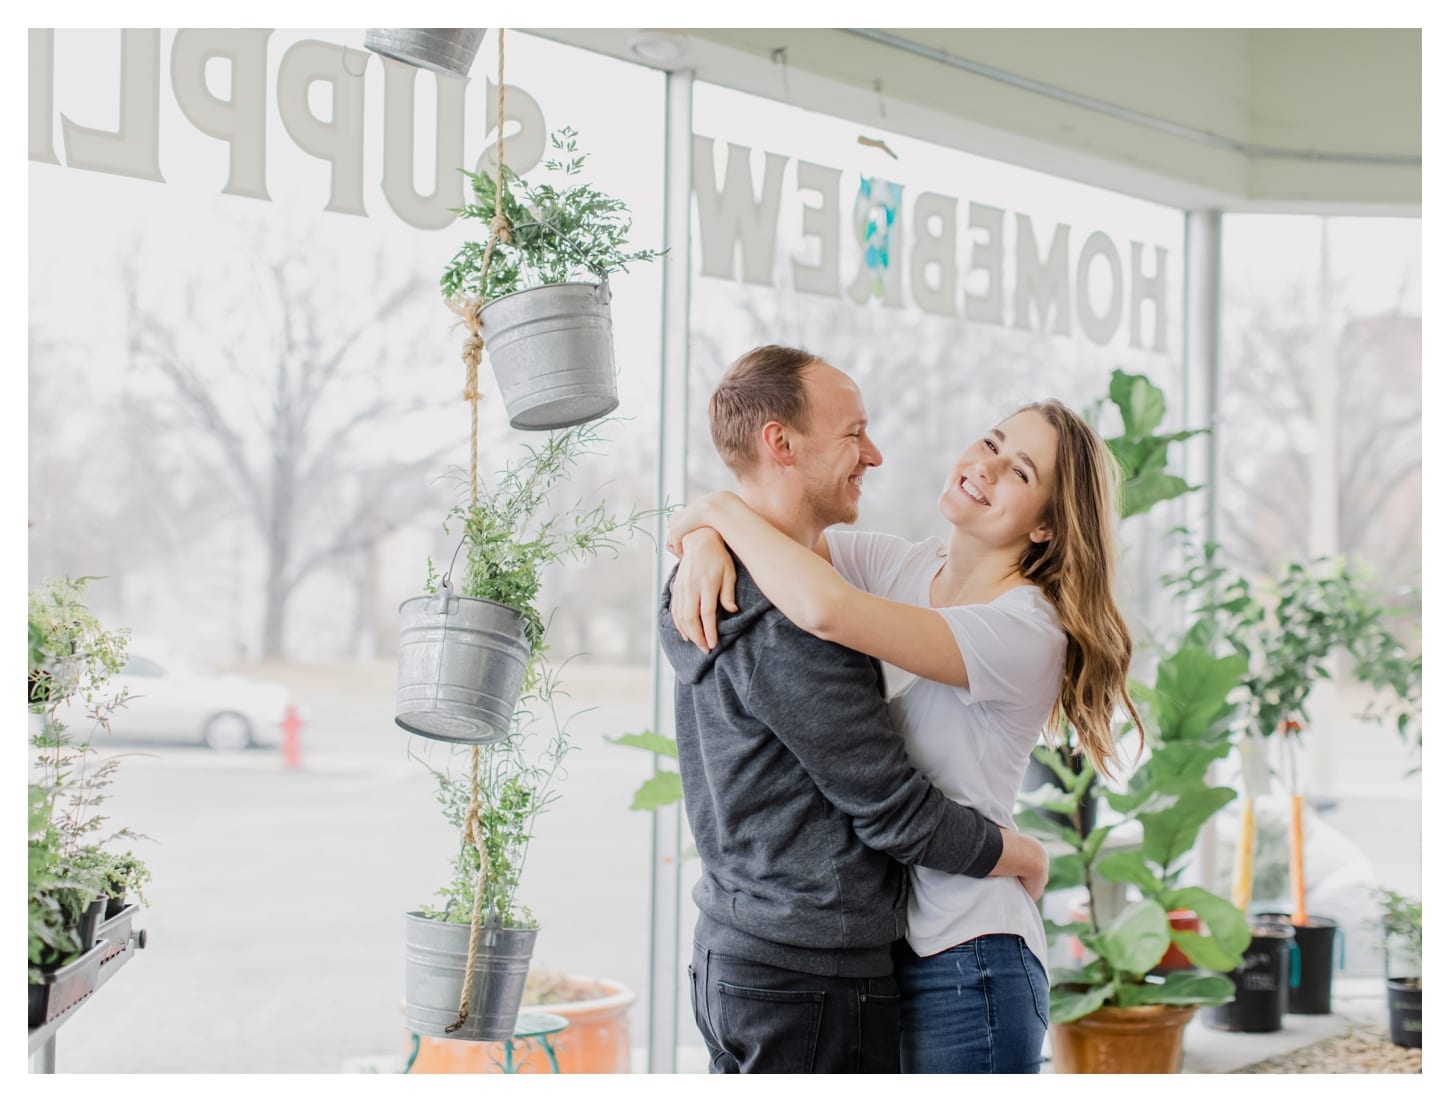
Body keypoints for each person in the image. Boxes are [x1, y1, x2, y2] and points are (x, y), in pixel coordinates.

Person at [668, 352, 1145, 1074]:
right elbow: (779, 536)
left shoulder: (1025, 628)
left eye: (1020, 472)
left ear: (1047, 527)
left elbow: (822, 607)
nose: (987, 466)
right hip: (887, 944)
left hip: (970, 952)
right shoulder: (903, 568)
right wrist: (704, 530)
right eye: (991, 442)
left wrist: (717, 512)